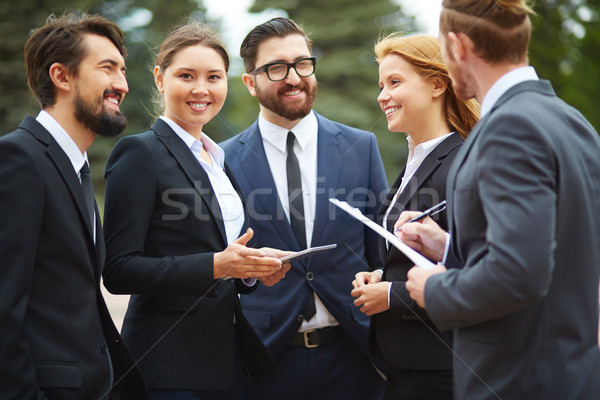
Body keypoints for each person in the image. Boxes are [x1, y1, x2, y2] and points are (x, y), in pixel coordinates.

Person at [396, 1, 600, 398]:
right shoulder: (572, 120)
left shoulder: (509, 127)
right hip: (572, 373)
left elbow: (519, 273)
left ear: (458, 47)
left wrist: (437, 288)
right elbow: (558, 246)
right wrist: (448, 246)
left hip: (518, 379)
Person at [102, 22, 289, 400]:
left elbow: (218, 256)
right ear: (159, 78)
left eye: (214, 77)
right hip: (168, 367)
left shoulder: (218, 159)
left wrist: (250, 270)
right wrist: (217, 265)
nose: (201, 89)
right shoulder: (139, 153)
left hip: (228, 365)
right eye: (186, 75)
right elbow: (118, 270)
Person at [221, 17, 388, 400]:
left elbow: (380, 251)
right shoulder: (223, 159)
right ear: (250, 82)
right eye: (276, 68)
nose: (294, 77)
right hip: (264, 363)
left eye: (302, 63)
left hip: (355, 358)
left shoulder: (361, 147)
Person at [0, 12, 148, 400]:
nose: (123, 84)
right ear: (62, 77)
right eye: (108, 69)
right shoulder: (17, 158)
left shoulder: (75, 167)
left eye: (123, 70)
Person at [351, 34, 479, 400]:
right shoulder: (415, 159)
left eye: (395, 82)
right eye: (381, 85)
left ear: (438, 84)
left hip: (443, 368)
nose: (382, 96)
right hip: (405, 365)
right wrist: (381, 274)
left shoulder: (462, 162)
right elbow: (423, 255)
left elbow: (478, 268)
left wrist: (391, 295)